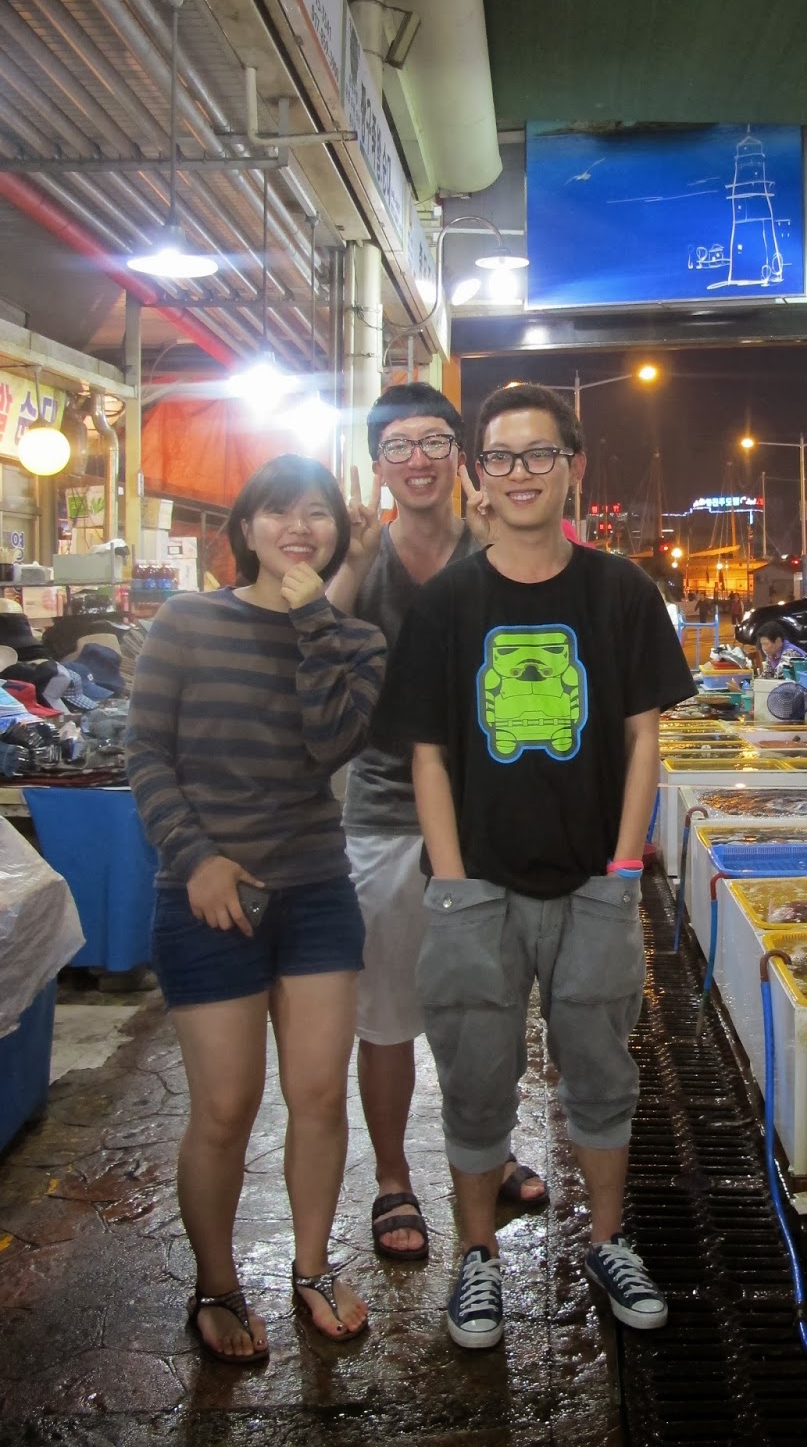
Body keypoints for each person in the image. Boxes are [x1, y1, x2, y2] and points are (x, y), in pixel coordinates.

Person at [372, 381, 696, 1351]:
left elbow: (643, 739)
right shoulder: (447, 604)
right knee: (475, 1074)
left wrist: (624, 868)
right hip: (477, 887)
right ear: (479, 473)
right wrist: (453, 880)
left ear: (573, 468)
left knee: (602, 1068)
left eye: (540, 454)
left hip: (595, 881)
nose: (520, 473)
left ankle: (607, 1238)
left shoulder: (621, 591)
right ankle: (477, 1256)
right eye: (502, 457)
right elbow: (428, 755)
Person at [126, 456, 387, 1361]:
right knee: (226, 1107)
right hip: (207, 899)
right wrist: (195, 861)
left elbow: (326, 745)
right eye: (278, 512)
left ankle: (311, 1268)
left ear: (339, 535)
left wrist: (314, 618)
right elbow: (146, 754)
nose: (298, 528)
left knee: (318, 1096)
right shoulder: (186, 621)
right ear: (245, 529)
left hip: (315, 891)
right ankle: (216, 1284)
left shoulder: (356, 643)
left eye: (317, 514)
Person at [326, 382, 546, 1263]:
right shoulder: (361, 560)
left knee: (487, 1006)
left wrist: (506, 540)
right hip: (383, 811)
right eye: (398, 446)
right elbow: (310, 646)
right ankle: (393, 1178)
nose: (417, 460)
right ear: (378, 466)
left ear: (460, 457)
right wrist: (348, 556)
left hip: (487, 812)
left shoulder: (490, 546)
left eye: (433, 443)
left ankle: (488, 1154)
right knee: (384, 1013)